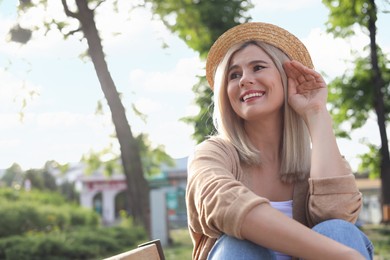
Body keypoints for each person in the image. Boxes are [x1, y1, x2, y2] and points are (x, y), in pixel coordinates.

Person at [185, 22, 374, 260]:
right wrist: (345, 255)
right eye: (234, 75)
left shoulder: (317, 159)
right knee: (239, 245)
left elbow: (337, 215)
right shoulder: (211, 154)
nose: (244, 79)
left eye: (258, 67)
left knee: (336, 229)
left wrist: (316, 113)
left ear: (287, 78)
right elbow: (225, 205)